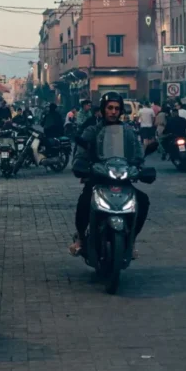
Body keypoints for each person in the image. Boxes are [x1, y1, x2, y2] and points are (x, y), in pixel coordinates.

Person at [70, 92, 150, 256]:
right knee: (85, 200)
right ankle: (80, 238)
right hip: (98, 177)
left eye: (117, 108)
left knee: (143, 201)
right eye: (110, 108)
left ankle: (132, 239)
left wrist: (139, 168)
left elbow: (137, 153)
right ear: (103, 109)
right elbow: (81, 152)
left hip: (122, 178)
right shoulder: (92, 130)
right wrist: (81, 166)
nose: (113, 111)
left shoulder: (128, 132)